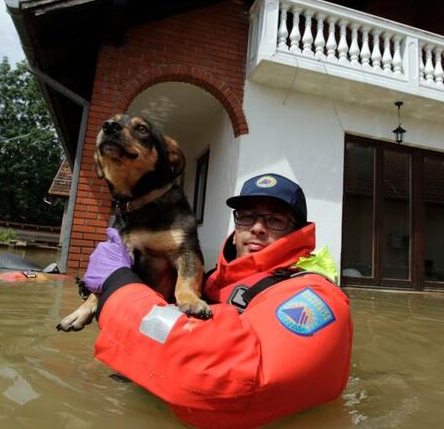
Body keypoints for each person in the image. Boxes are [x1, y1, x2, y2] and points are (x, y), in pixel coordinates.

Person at [85, 173, 352, 428]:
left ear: (298, 232)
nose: (257, 228)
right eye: (246, 217)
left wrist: (116, 285)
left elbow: (232, 385)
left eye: (275, 220)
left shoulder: (316, 294)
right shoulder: (210, 280)